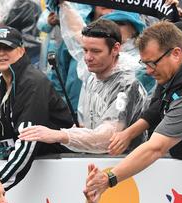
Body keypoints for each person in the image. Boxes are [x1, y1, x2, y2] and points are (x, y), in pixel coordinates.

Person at [88, 21, 182, 196]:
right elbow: (157, 105)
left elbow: (155, 148)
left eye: (152, 63)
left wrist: (109, 178)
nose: (147, 71)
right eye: (144, 63)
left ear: (176, 54)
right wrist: (129, 133)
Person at [18, 18, 146, 154]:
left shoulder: (126, 85)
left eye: (96, 51)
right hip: (94, 160)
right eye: (85, 50)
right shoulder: (92, 77)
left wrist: (61, 135)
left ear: (115, 49)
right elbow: (89, 126)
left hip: (127, 166)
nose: (87, 57)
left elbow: (110, 137)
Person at [0, 26, 74, 191]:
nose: (1, 53)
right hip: (29, 166)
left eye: (8, 47)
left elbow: (28, 141)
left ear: (21, 50)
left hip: (62, 169)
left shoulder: (33, 82)